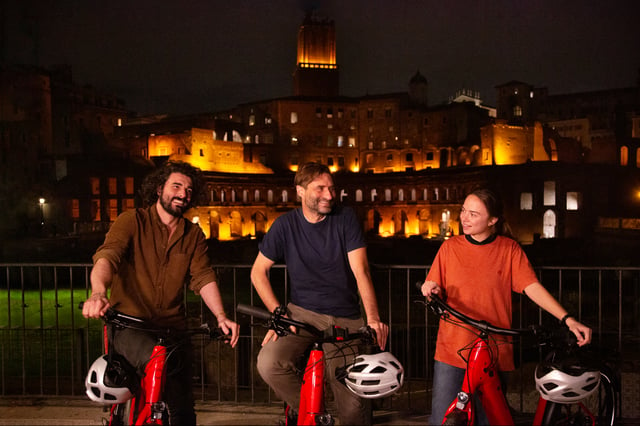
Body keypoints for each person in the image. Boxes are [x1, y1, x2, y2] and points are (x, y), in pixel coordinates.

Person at [82, 160, 239, 426]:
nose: (183, 194)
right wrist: (98, 292)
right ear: (158, 189)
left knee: (183, 409)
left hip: (171, 329)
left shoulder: (193, 235)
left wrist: (221, 316)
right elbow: (108, 256)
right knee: (157, 357)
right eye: (176, 186)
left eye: (189, 190)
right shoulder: (132, 220)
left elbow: (202, 276)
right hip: (128, 325)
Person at [421, 187, 592, 425]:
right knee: (443, 419)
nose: (464, 218)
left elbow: (532, 287)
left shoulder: (508, 249)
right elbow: (434, 288)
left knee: (489, 420)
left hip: (493, 350)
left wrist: (568, 319)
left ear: (492, 220)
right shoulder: (450, 248)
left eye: (473, 214)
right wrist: (431, 290)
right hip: (452, 349)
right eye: (463, 211)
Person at [251, 162, 389, 425]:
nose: (329, 195)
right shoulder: (284, 225)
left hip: (345, 317)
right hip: (300, 315)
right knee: (269, 363)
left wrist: (372, 318)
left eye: (332, 188)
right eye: (320, 189)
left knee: (354, 413)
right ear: (300, 191)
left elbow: (361, 272)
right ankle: (317, 414)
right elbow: (258, 272)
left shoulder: (345, 218)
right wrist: (278, 314)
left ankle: (327, 414)